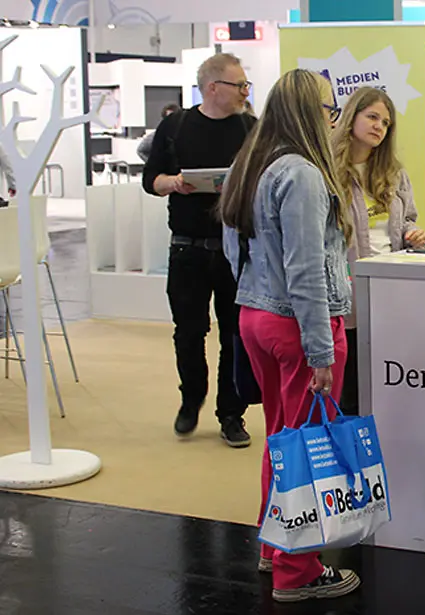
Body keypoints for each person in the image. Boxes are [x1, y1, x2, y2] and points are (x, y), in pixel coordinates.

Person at [218, 68, 360, 603]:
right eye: (329, 108)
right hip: (299, 326)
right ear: (309, 113)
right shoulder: (301, 173)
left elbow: (233, 250)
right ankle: (297, 571)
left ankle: (274, 544)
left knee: (283, 438)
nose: (334, 118)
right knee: (308, 446)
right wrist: (321, 349)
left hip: (256, 316)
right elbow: (306, 269)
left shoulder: (250, 164)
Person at [142, 53, 256, 447]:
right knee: (189, 331)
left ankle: (231, 414)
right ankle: (191, 398)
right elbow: (150, 180)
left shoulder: (251, 129)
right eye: (239, 85)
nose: (245, 92)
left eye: (246, 85)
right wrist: (173, 183)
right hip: (187, 249)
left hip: (236, 250)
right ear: (212, 88)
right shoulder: (175, 127)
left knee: (235, 334)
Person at [332, 87, 425, 416]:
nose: (379, 127)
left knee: (386, 374)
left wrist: (412, 233)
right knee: (350, 381)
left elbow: (407, 219)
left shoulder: (394, 173)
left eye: (385, 123)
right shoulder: (328, 171)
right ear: (351, 117)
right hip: (347, 289)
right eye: (372, 117)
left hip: (388, 287)